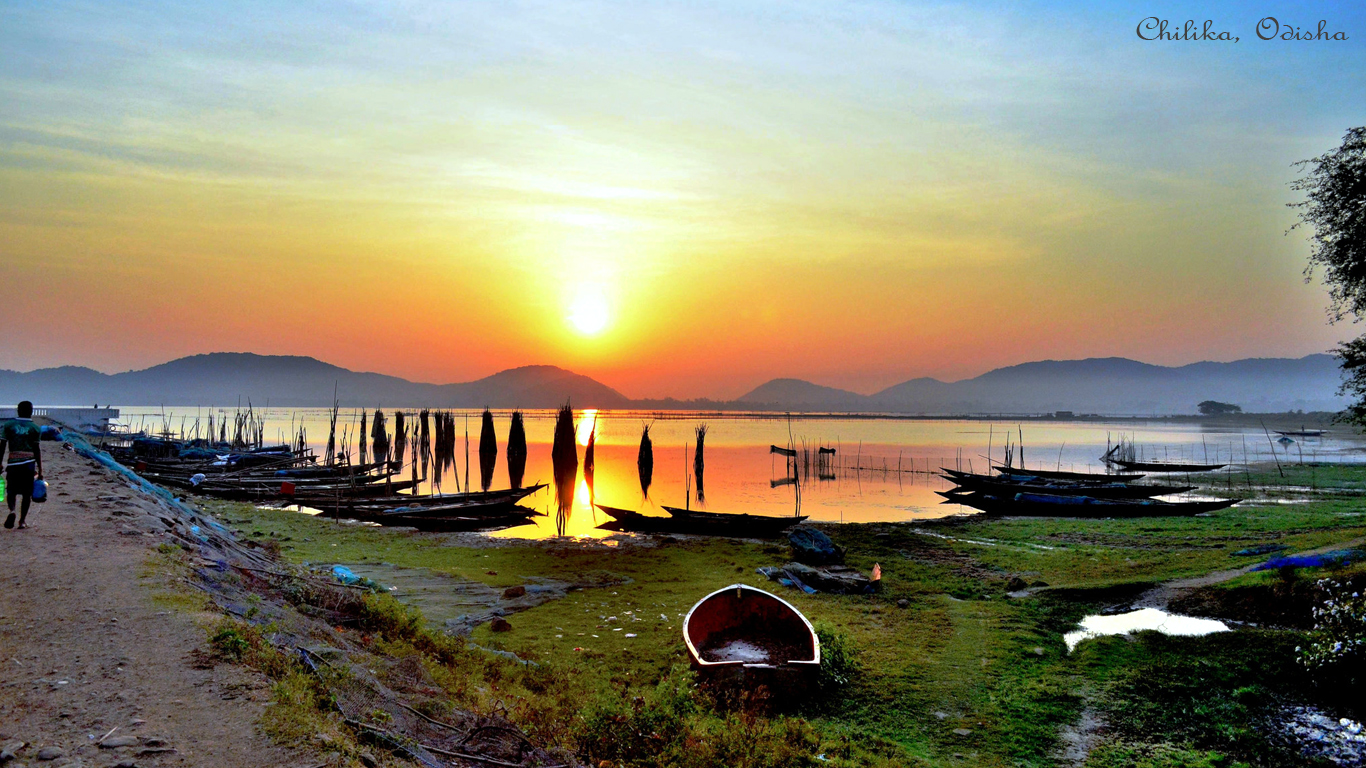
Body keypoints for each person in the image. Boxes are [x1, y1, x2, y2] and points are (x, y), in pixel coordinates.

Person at [1, 401, 44, 529]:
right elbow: (37, 450)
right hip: (28, 464)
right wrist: (40, 469)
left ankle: (12, 511)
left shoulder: (9, 425)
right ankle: (22, 521)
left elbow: (2, 446)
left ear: (18, 411)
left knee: (11, 491)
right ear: (31, 412)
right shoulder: (35, 428)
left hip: (13, 463)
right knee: (27, 493)